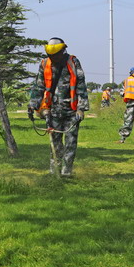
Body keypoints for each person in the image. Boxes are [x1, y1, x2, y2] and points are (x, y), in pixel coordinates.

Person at [34, 37, 89, 177]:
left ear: (62, 51)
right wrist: (33, 105)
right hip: (52, 111)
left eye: (55, 55)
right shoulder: (44, 63)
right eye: (50, 55)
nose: (53, 58)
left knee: (71, 142)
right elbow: (39, 86)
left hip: (72, 111)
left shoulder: (73, 62)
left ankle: (66, 172)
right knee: (55, 143)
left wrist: (81, 108)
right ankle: (54, 172)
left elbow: (81, 86)